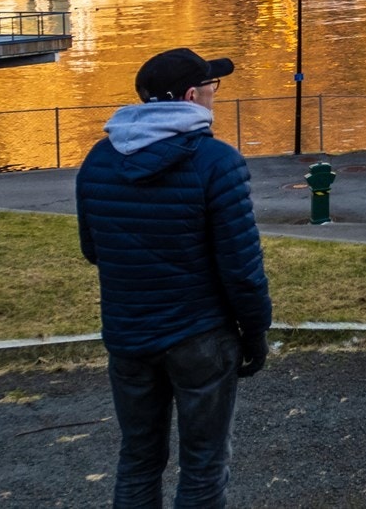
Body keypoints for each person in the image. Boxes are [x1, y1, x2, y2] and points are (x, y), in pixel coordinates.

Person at [76, 48, 272, 509]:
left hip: (128, 334)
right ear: (191, 96)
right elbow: (241, 267)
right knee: (203, 464)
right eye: (212, 88)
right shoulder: (216, 162)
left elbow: (92, 249)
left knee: (138, 460)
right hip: (200, 335)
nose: (214, 96)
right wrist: (255, 331)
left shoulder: (99, 160)